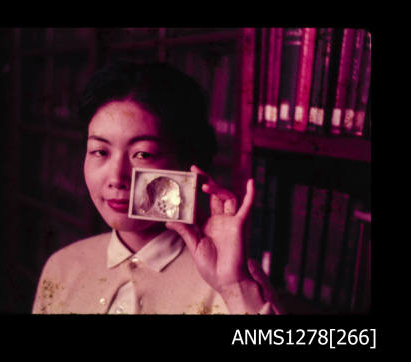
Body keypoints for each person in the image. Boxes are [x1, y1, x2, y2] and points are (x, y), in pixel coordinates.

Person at [32, 61, 284, 314]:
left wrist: (234, 286)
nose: (116, 177)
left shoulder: (234, 281)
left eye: (142, 155)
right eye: (100, 151)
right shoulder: (62, 267)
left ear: (188, 164)